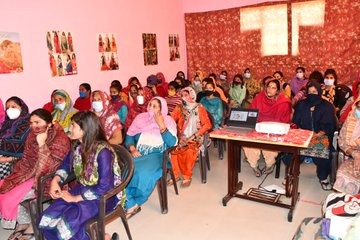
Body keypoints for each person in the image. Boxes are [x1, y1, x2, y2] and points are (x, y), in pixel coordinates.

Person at [38, 111, 123, 240]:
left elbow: (105, 187)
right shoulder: (77, 146)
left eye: (73, 126)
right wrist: (55, 180)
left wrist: (75, 198)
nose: (70, 128)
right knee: (46, 220)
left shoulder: (103, 152)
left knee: (67, 226)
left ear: (84, 130)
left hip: (104, 197)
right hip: (83, 189)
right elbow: (66, 165)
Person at [0, 109, 70, 239]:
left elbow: (52, 166)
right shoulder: (32, 135)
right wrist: (19, 175)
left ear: (49, 124)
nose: (33, 126)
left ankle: (32, 226)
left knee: (10, 197)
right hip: (30, 173)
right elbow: (27, 159)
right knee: (4, 187)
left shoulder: (61, 138)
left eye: (37, 122)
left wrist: (42, 144)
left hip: (48, 178)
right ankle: (24, 222)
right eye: (31, 123)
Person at [124, 97, 177, 218]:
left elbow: (172, 142)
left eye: (155, 106)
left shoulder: (168, 121)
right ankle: (130, 201)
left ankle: (133, 202)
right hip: (139, 153)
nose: (151, 109)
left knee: (142, 173)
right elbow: (129, 136)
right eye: (150, 105)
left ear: (162, 109)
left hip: (158, 155)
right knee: (121, 171)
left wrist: (161, 125)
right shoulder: (141, 118)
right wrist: (132, 148)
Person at [290, 81, 337, 190]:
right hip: (303, 135)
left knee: (327, 152)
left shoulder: (327, 106)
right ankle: (292, 173)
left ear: (319, 92)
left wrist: (319, 134)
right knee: (290, 151)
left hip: (320, 135)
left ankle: (323, 177)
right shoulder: (301, 104)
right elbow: (296, 121)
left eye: (314, 92)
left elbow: (330, 125)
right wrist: (303, 132)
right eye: (309, 92)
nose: (312, 94)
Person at [243, 78, 292, 177]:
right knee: (249, 145)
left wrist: (270, 129)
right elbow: (252, 114)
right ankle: (254, 166)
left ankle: (269, 165)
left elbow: (284, 122)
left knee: (270, 148)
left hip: (274, 131)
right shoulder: (259, 97)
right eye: (269, 87)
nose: (270, 90)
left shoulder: (283, 102)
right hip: (258, 128)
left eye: (273, 88)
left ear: (278, 91)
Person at [170, 87, 212, 187]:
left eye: (186, 95)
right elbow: (171, 120)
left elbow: (207, 125)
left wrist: (194, 135)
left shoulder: (199, 107)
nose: (184, 98)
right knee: (172, 150)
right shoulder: (179, 107)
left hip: (195, 136)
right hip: (181, 136)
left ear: (192, 95)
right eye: (182, 95)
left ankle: (187, 176)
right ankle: (175, 175)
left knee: (188, 151)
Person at [333, 98, 360, 195]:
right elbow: (342, 141)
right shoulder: (351, 118)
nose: (359, 111)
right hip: (353, 157)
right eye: (359, 107)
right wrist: (354, 154)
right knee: (342, 177)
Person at [0, 97, 30, 179]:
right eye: (8, 108)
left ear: (22, 108)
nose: (10, 110)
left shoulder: (29, 123)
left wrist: (7, 159)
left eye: (13, 107)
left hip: (13, 161)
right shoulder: (6, 124)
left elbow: (27, 149)